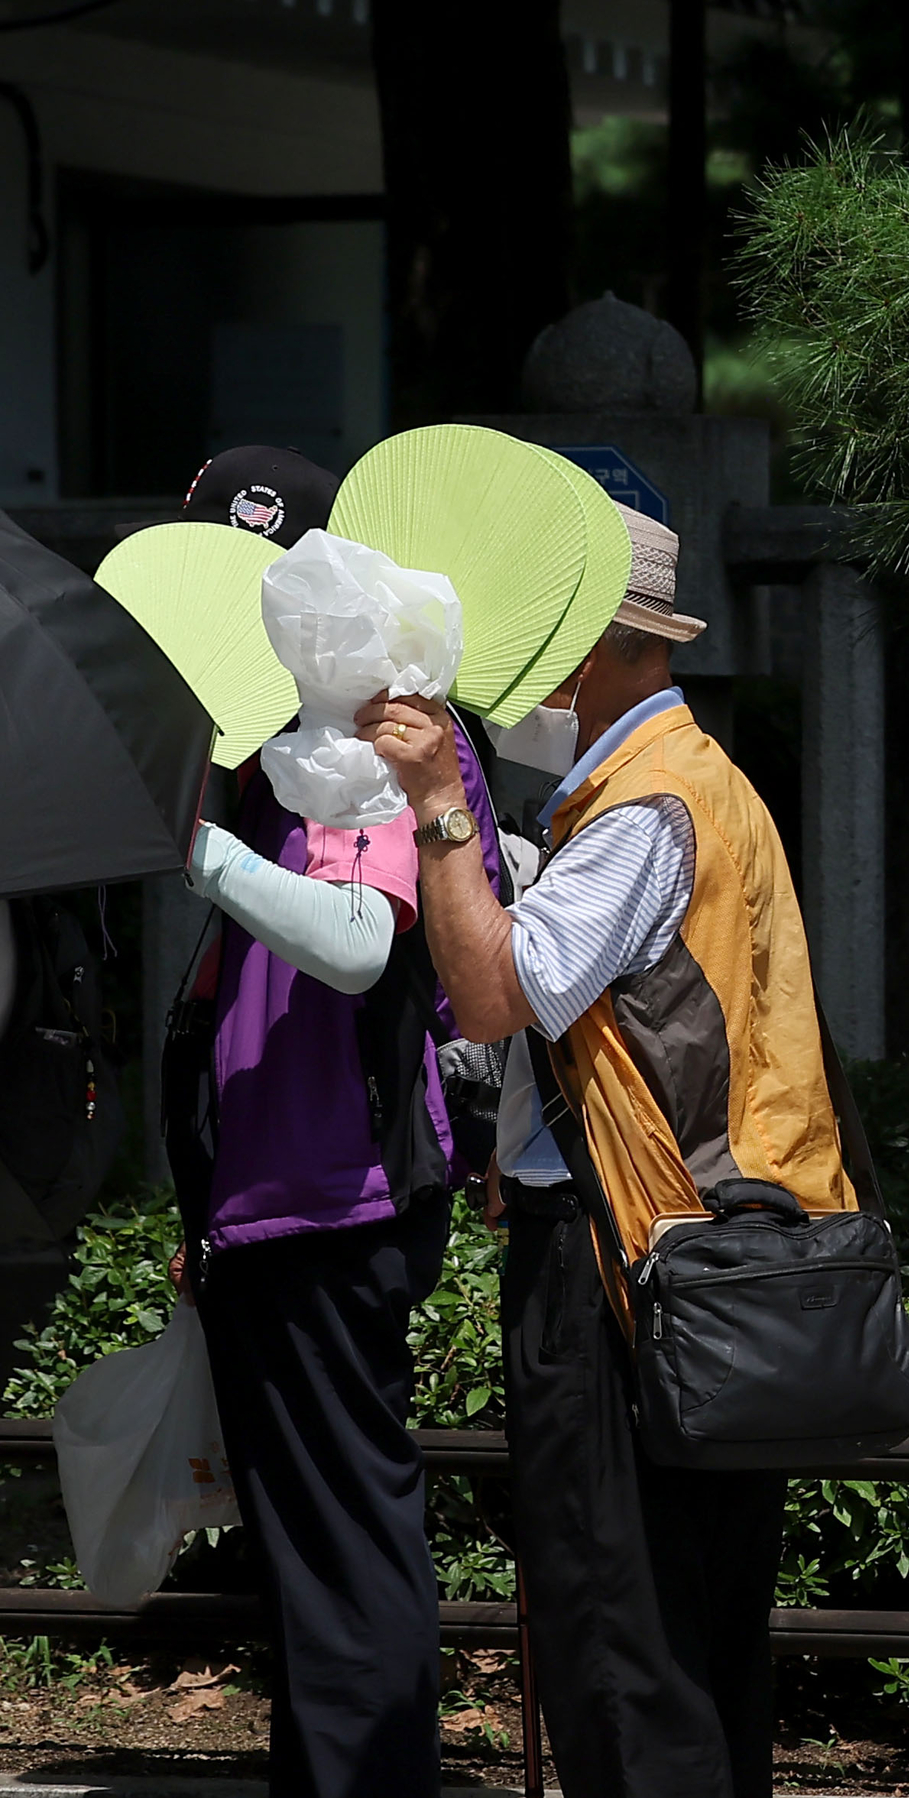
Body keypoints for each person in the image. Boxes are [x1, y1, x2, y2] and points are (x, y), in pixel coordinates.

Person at [361, 505, 870, 1798]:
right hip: (707, 1270)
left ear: (588, 649)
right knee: (694, 1642)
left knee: (622, 1645)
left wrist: (437, 807)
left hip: (621, 1276)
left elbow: (491, 994)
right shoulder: (698, 779)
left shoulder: (646, 803)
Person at [161, 447, 487, 1798]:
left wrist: (200, 849)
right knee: (301, 1561)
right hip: (261, 1211)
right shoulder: (271, 756)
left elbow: (359, 945)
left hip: (341, 1201)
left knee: (346, 1547)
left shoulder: (386, 745)